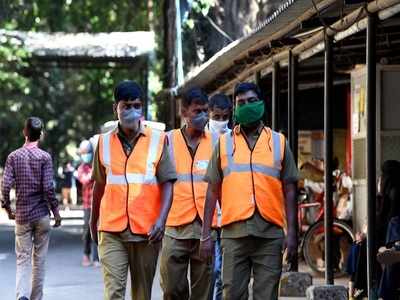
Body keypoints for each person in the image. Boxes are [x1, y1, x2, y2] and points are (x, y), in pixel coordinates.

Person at [200, 82, 299, 300]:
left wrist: (292, 233)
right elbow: (211, 191)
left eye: (252, 101)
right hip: (234, 236)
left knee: (267, 296)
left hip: (270, 234)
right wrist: (205, 235)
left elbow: (290, 189)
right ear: (235, 109)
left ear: (261, 103)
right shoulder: (224, 144)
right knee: (232, 295)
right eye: (241, 103)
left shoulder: (279, 142)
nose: (247, 106)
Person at [90, 80, 176, 300]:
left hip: (146, 232)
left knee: (142, 294)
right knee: (114, 293)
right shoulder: (104, 143)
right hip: (111, 230)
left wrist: (161, 220)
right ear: (115, 108)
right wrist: (93, 221)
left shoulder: (158, 140)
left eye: (136, 106)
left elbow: (167, 182)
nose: (131, 111)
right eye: (126, 106)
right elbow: (99, 185)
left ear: (142, 108)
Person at [160, 87, 217, 300]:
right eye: (197, 111)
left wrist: (211, 230)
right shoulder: (167, 141)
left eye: (205, 111)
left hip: (206, 228)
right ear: (184, 112)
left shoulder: (216, 142)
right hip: (174, 227)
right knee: (172, 288)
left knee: (204, 292)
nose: (203, 116)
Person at [1, 117, 62, 300]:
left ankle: (22, 296)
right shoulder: (45, 157)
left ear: (24, 133)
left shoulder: (13, 157)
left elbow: (5, 187)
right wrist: (56, 212)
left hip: (22, 216)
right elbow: (48, 188)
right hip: (42, 215)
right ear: (40, 135)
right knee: (39, 261)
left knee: (23, 259)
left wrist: (8, 209)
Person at [206, 93, 232, 300]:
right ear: (208, 113)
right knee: (211, 270)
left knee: (223, 274)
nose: (221, 122)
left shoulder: (235, 139)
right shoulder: (199, 139)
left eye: (225, 117)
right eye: (217, 116)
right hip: (205, 218)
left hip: (230, 216)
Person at [77, 139, 99, 267]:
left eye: (88, 152)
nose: (86, 154)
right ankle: (86, 255)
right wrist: (94, 173)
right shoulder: (82, 168)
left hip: (98, 204)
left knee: (97, 230)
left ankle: (96, 258)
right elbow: (84, 180)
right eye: (84, 152)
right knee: (87, 231)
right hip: (87, 205)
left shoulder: (95, 165)